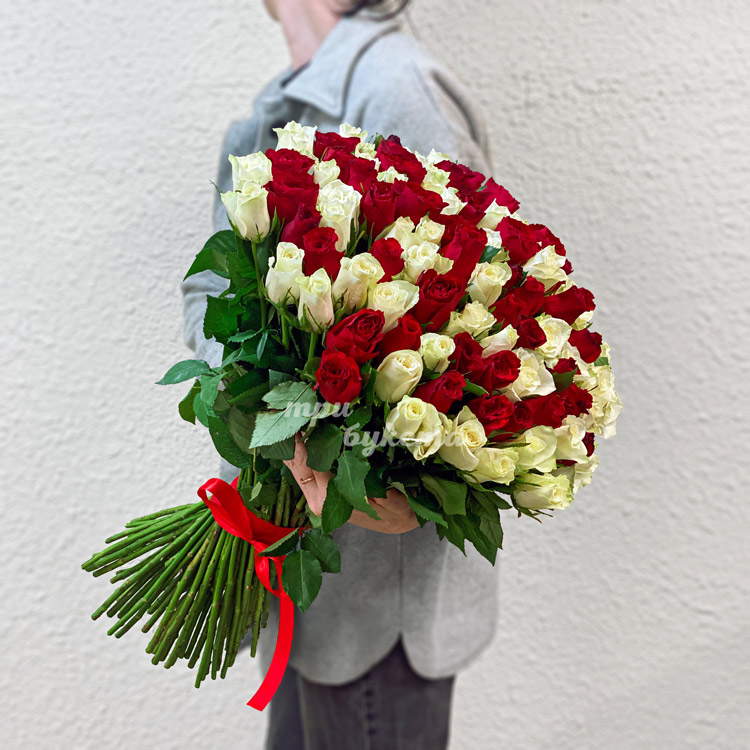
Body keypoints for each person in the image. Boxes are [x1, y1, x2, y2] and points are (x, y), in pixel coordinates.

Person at [181, 1, 498, 747]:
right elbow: (209, 289)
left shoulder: (397, 92)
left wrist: (396, 481)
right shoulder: (288, 99)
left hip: (374, 613)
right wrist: (255, 406)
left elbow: (468, 331)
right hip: (301, 583)